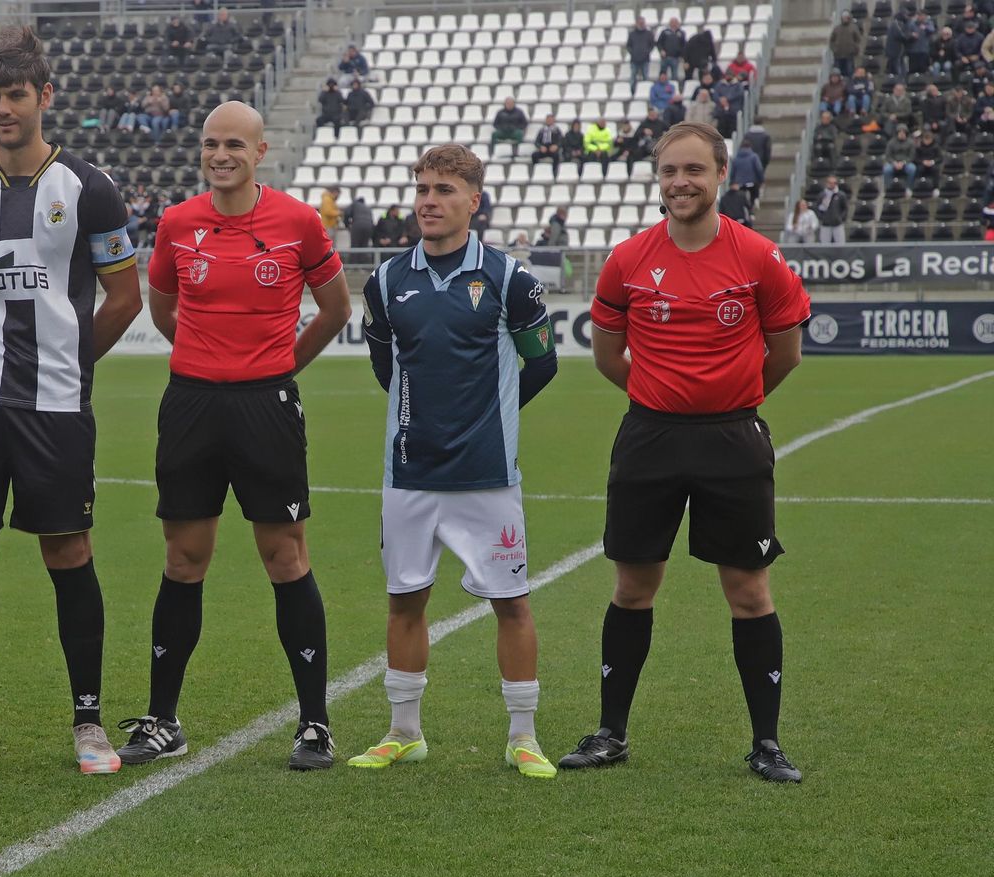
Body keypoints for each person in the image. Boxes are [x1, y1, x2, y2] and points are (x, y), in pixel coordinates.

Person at [0, 26, 143, 776]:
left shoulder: (90, 187)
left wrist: (65, 356)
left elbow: (124, 296)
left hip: (55, 403)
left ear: (45, 97)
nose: (2, 108)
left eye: (16, 95)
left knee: (68, 548)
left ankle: (89, 726)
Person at [562, 121, 810, 784]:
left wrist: (733, 401)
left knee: (749, 591)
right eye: (671, 171)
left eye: (694, 171)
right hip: (650, 438)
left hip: (734, 438)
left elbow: (785, 352)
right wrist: (657, 397)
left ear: (721, 176)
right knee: (632, 586)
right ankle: (612, 733)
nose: (681, 183)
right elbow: (609, 354)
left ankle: (766, 744)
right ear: (658, 177)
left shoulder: (757, 257)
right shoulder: (628, 259)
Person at [117, 100, 351, 772]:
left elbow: (335, 310)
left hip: (265, 407)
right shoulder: (177, 222)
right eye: (211, 143)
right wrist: (203, 359)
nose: (222, 155)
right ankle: (163, 720)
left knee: (285, 556)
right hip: (190, 405)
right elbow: (163, 306)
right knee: (183, 558)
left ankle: (314, 724)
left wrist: (276, 368)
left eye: (235, 145)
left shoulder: (298, 222)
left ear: (260, 151)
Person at [350, 143, 559, 777]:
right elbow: (387, 367)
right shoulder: (385, 280)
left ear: (474, 200)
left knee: (512, 602)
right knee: (404, 600)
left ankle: (522, 736)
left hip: (487, 477)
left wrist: (493, 420)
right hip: (409, 475)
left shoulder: (508, 277)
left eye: (443, 190)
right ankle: (403, 730)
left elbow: (542, 362)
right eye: (422, 189)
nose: (429, 201)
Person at [882, 125, 918, 191]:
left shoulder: (911, 143)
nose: (901, 134)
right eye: (900, 132)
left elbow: (912, 156)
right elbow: (888, 156)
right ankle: (888, 188)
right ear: (897, 133)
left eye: (903, 133)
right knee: (886, 170)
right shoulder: (891, 142)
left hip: (906, 163)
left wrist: (903, 163)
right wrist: (894, 163)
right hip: (893, 163)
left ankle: (909, 188)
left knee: (912, 168)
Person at [830, 10, 864, 78]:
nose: (845, 19)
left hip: (849, 55)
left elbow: (858, 40)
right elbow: (831, 40)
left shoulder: (854, 28)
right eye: (843, 17)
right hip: (838, 55)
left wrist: (855, 49)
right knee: (837, 74)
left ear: (849, 18)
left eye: (846, 17)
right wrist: (834, 49)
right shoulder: (837, 28)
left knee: (850, 73)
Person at [814, 175, 849, 243]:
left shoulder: (841, 195)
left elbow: (845, 208)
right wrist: (821, 218)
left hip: (838, 224)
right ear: (827, 183)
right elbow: (817, 208)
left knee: (840, 244)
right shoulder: (822, 195)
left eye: (834, 183)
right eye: (830, 182)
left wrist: (841, 218)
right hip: (825, 224)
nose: (832, 184)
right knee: (824, 244)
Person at [730, 141, 765, 207]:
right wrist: (761, 181)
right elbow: (759, 169)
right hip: (753, 183)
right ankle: (753, 208)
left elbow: (732, 173)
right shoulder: (754, 157)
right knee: (753, 197)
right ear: (750, 147)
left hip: (740, 184)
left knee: (742, 200)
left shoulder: (736, 159)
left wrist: (732, 183)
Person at [627, 16, 655, 90]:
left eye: (643, 23)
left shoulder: (649, 34)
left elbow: (652, 45)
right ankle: (631, 92)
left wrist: (647, 52)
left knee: (645, 77)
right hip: (634, 59)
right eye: (640, 23)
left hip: (645, 59)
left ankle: (645, 90)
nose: (641, 24)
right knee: (633, 77)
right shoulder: (632, 34)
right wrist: (633, 53)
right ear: (637, 23)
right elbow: (628, 46)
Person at [657, 17, 687, 82]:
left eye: (675, 23)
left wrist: (682, 56)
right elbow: (659, 43)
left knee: (674, 75)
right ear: (670, 23)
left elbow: (683, 45)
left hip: (675, 58)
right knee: (662, 74)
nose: (674, 24)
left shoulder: (681, 33)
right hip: (665, 57)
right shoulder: (664, 32)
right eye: (672, 22)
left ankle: (674, 88)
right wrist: (661, 50)